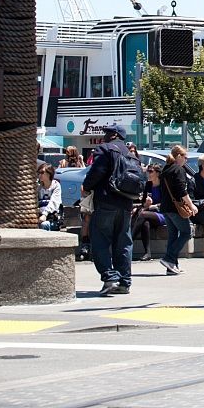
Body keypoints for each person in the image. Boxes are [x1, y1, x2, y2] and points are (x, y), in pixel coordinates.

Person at [81, 124, 134, 296]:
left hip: (106, 202)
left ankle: (110, 279)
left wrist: (86, 186)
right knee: (123, 243)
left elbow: (97, 172)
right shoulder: (130, 153)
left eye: (108, 133)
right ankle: (124, 282)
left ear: (114, 135)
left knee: (100, 241)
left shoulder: (105, 149)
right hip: (126, 203)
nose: (104, 136)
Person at [157, 145, 194, 275]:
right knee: (186, 233)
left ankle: (172, 266)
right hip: (175, 208)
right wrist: (191, 205)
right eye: (185, 157)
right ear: (179, 156)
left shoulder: (166, 169)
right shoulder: (178, 170)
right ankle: (168, 258)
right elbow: (182, 191)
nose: (186, 160)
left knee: (173, 235)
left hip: (165, 207)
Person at [130, 165, 165, 261]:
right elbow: (143, 203)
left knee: (142, 214)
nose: (148, 174)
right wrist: (145, 205)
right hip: (149, 214)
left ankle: (129, 241)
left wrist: (151, 206)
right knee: (145, 223)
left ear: (157, 173)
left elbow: (165, 204)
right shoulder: (148, 185)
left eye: (151, 171)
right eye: (147, 171)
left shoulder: (163, 186)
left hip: (163, 214)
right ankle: (147, 253)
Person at [37, 163, 62, 231]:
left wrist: (45, 214)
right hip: (39, 216)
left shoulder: (56, 185)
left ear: (49, 173)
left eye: (42, 172)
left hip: (52, 218)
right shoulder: (38, 187)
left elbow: (54, 202)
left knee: (44, 225)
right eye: (38, 173)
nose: (39, 175)